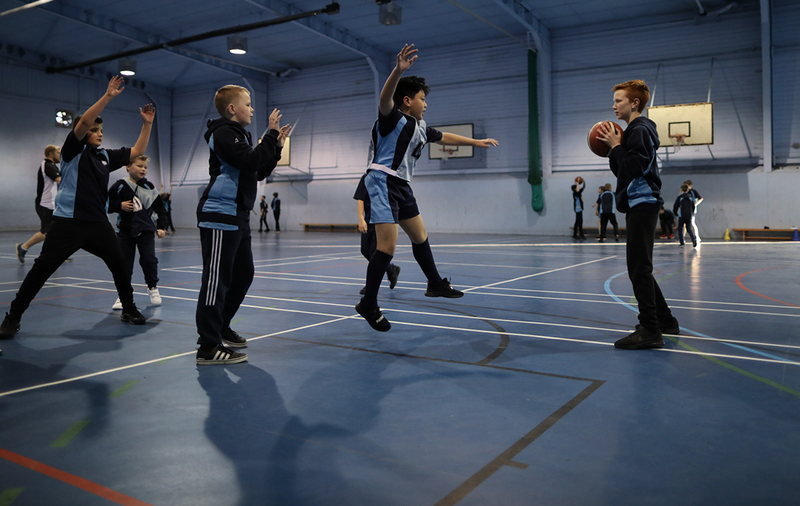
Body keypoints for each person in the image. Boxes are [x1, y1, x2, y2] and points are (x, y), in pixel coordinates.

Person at [355, 44, 499, 332]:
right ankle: (368, 303)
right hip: (383, 180)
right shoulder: (391, 118)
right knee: (387, 247)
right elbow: (385, 99)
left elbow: (447, 137)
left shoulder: (420, 126)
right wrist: (398, 71)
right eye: (422, 99)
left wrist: (477, 143)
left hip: (402, 186)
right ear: (407, 101)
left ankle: (434, 283)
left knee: (420, 236)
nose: (426, 103)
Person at [1, 76, 152, 341]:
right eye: (95, 130)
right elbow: (82, 122)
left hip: (97, 224)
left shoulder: (105, 156)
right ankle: (12, 317)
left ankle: (128, 309)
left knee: (119, 263)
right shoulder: (72, 151)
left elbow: (138, 150)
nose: (100, 132)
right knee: (41, 270)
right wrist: (107, 97)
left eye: (101, 130)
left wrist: (147, 124)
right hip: (67, 223)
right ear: (85, 134)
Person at [195, 84, 290, 365]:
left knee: (244, 274)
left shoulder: (240, 135)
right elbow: (250, 160)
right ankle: (208, 347)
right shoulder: (223, 131)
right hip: (220, 214)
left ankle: (221, 325)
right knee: (216, 281)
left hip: (238, 216)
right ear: (232, 109)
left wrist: (276, 148)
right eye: (248, 104)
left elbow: (258, 170)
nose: (252, 109)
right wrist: (270, 135)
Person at [596, 79, 680, 349]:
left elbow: (633, 166)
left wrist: (617, 147)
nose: (614, 105)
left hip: (643, 202)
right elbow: (623, 171)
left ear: (634, 103)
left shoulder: (640, 129)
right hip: (638, 202)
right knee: (640, 267)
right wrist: (614, 149)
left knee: (638, 269)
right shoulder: (634, 131)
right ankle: (665, 321)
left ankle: (650, 330)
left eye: (619, 100)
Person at [108, 155, 168, 310]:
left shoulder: (149, 187)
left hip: (146, 230)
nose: (143, 169)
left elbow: (161, 210)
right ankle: (123, 295)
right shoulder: (119, 186)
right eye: (139, 166)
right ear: (128, 167)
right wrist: (119, 205)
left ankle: (153, 287)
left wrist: (161, 227)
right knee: (124, 263)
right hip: (124, 232)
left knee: (149, 260)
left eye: (145, 167)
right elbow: (106, 204)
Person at [354, 173, 400, 295]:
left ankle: (371, 285)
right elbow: (360, 198)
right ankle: (391, 269)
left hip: (382, 220)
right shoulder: (366, 177)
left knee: (376, 253)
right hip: (369, 220)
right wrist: (361, 218)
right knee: (365, 250)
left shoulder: (389, 177)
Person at [15, 145, 62, 263]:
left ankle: (56, 254)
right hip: (45, 204)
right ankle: (23, 247)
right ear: (51, 153)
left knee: (56, 230)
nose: (60, 155)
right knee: (46, 232)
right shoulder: (48, 165)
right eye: (58, 152)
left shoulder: (52, 166)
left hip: (51, 204)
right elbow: (60, 181)